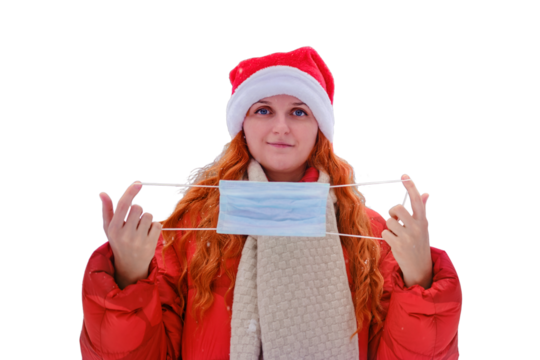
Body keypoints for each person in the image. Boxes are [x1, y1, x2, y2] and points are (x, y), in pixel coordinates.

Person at [80, 45, 462, 359]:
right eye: (263, 110)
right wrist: (128, 278)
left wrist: (419, 280)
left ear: (319, 128)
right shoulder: (190, 230)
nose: (281, 127)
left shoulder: (369, 233)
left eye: (298, 111)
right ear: (242, 123)